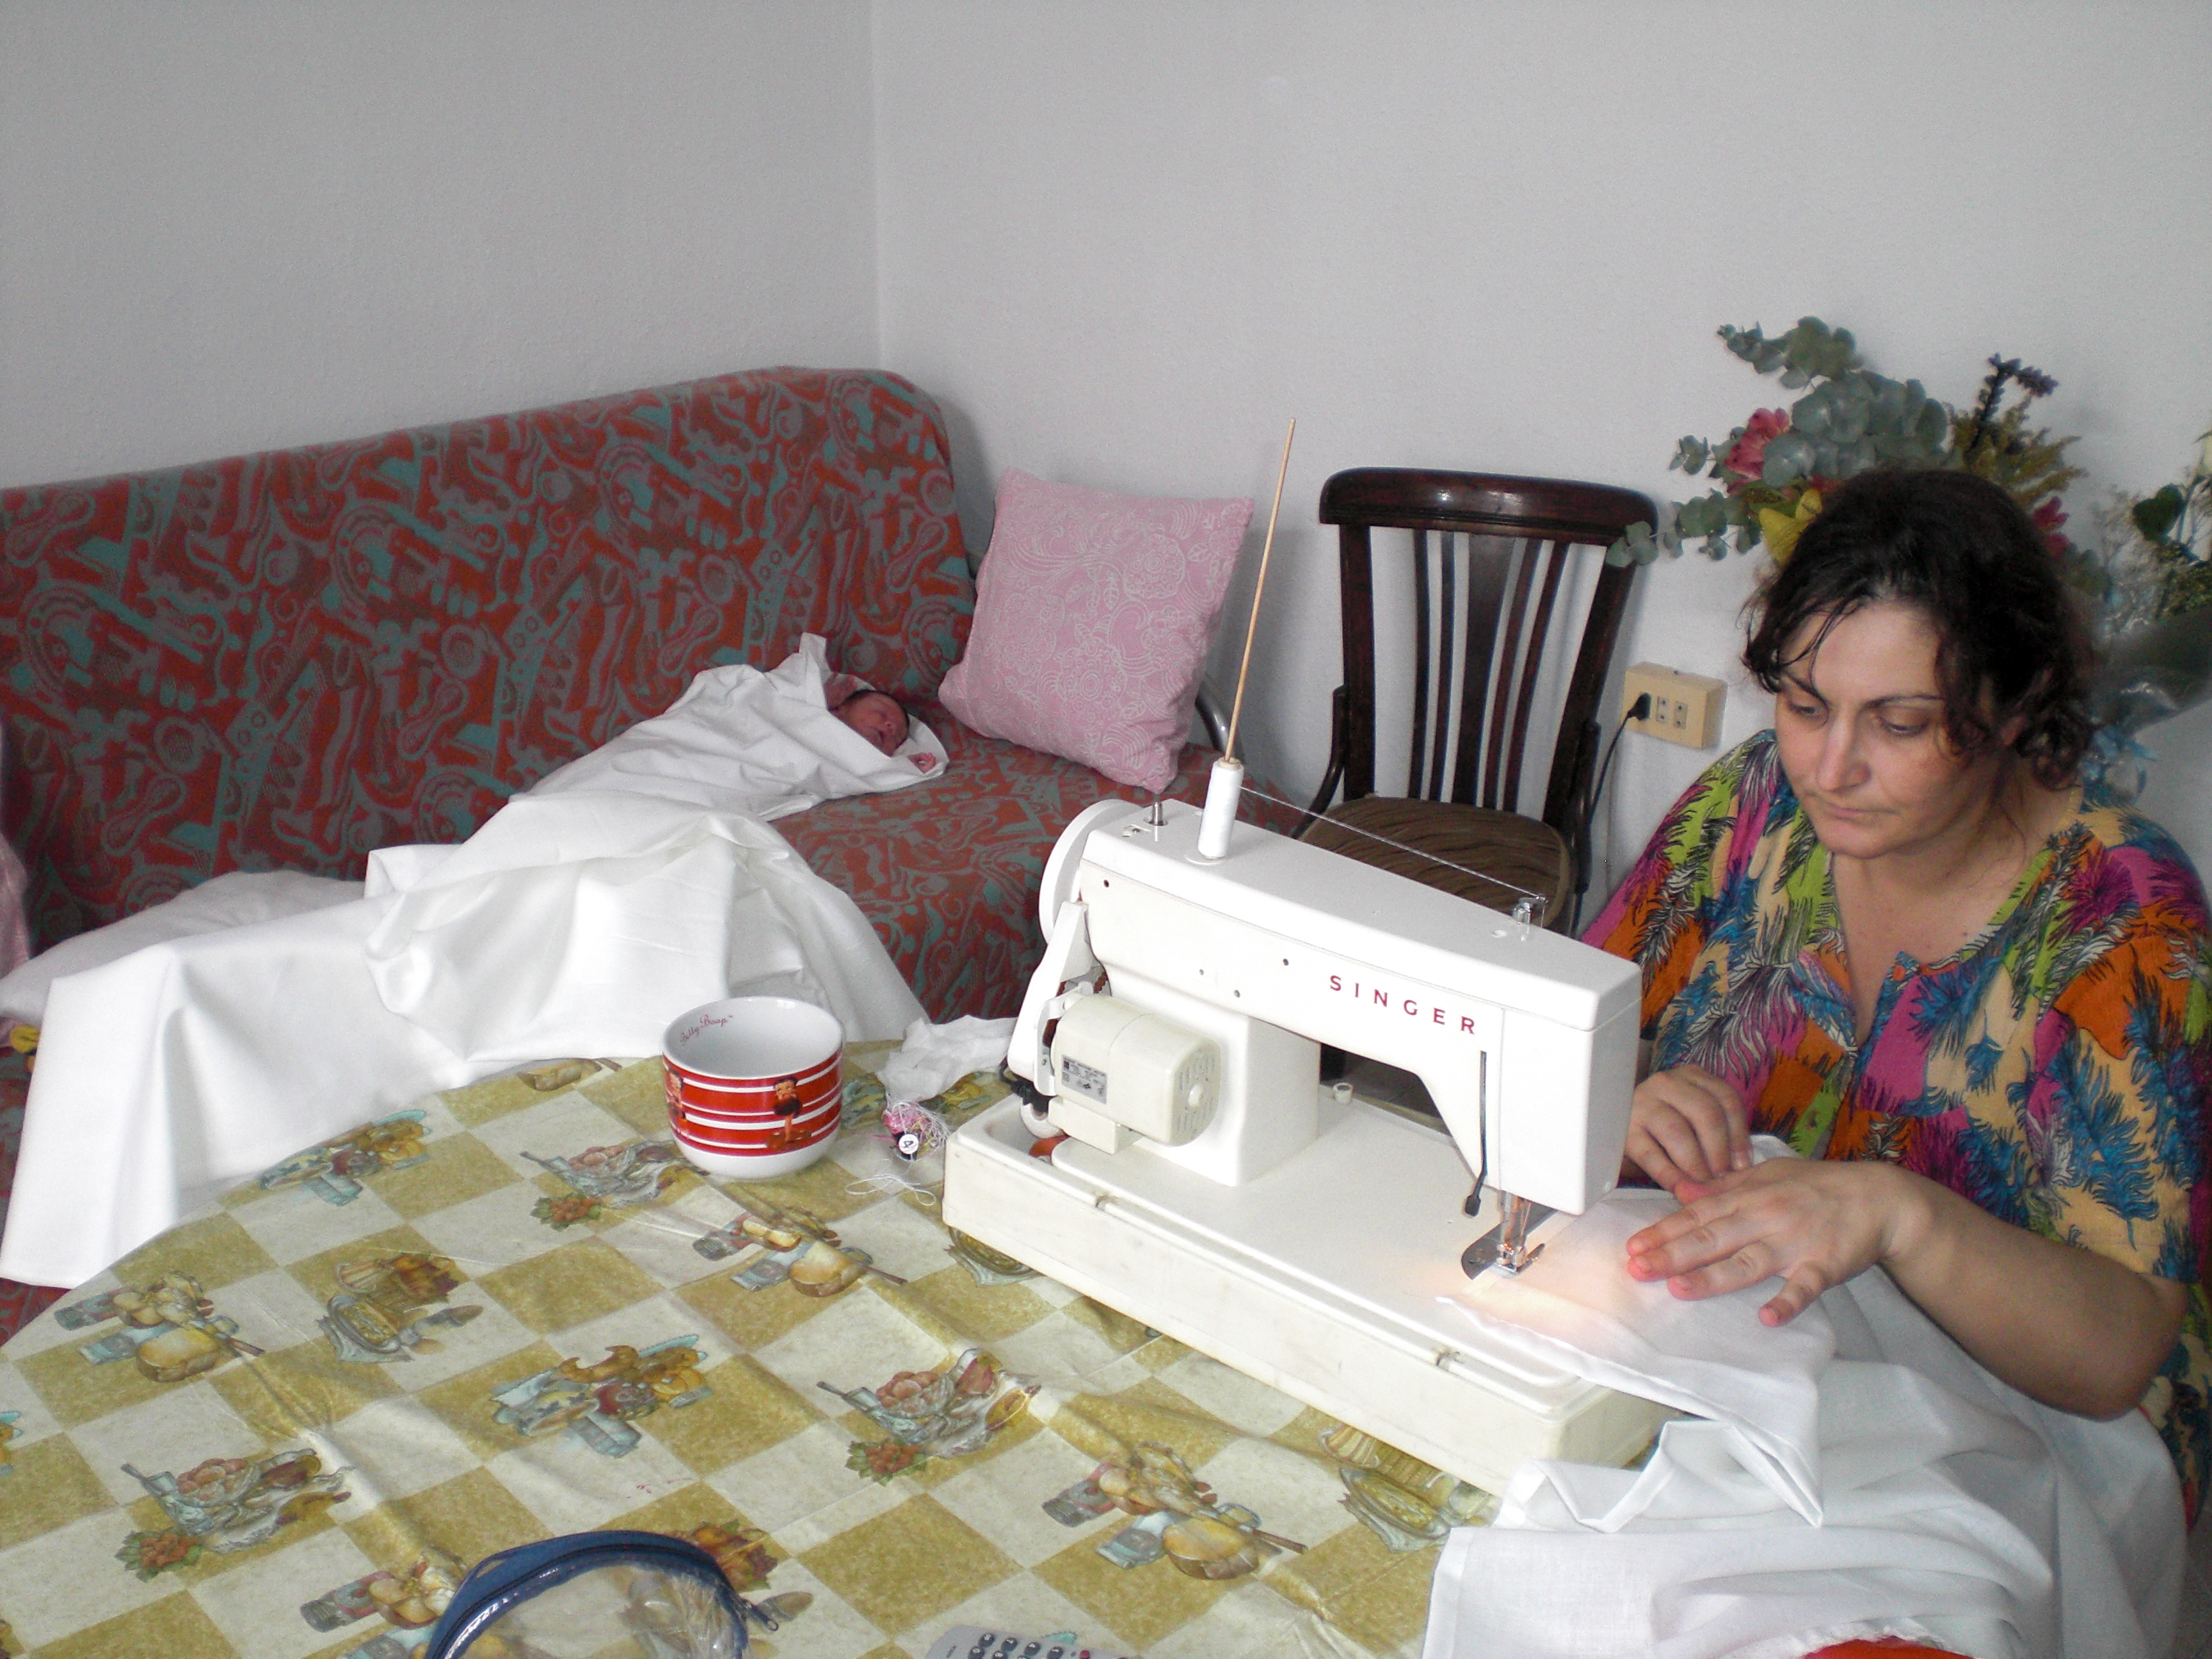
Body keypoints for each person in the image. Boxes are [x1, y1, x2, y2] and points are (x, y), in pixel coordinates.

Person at [1584, 467, 2212, 1518]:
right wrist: (1622, 1098)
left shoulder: (2122, 916)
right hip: (1748, 1343)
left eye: (1902, 724)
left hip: (2026, 1425)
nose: (1831, 768)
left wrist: (1903, 1217)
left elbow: (2116, 1355)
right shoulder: (1752, 802)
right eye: (1805, 705)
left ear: (2015, 705)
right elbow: (1571, 1025)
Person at [833, 688, 909, 756]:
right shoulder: (828, 721)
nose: (892, 727)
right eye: (881, 713)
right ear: (841, 708)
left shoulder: (877, 764)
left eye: (896, 738)